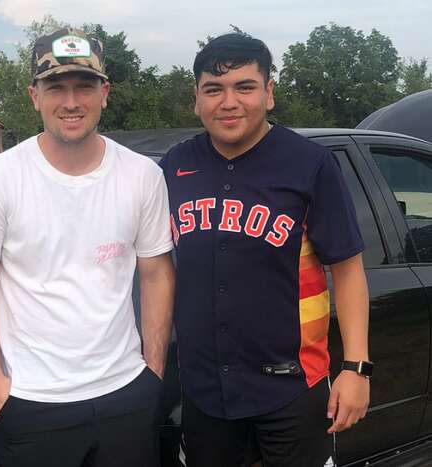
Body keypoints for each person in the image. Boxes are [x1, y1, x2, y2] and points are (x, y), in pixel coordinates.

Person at [0, 29, 175, 467]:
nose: (70, 102)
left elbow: (156, 272)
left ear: (104, 93)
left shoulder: (142, 175)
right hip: (32, 400)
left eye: (84, 86)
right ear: (34, 95)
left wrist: (153, 370)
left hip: (126, 391)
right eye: (56, 87)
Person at [159, 33, 371, 467]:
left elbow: (348, 272)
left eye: (245, 87)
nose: (229, 102)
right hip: (203, 392)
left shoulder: (309, 164)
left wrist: (356, 368)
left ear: (269, 93)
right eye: (214, 89)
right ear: (196, 99)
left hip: (291, 387)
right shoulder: (175, 167)